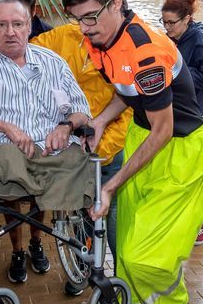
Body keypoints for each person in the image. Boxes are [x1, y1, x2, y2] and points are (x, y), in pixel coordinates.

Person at [62, 0, 203, 304]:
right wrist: (100, 120)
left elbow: (164, 129)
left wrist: (111, 184)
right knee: (125, 256)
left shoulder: (146, 52)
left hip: (179, 153)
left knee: (145, 255)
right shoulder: (101, 39)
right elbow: (126, 91)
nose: (84, 29)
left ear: (116, 3)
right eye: (77, 19)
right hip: (141, 139)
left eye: (90, 17)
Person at [0, 0, 93, 286]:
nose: (10, 31)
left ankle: (40, 229)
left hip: (47, 149)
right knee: (12, 161)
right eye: (1, 25)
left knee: (77, 157)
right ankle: (24, 238)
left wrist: (66, 126)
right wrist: (5, 126)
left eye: (17, 24)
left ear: (29, 26)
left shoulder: (52, 62)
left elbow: (81, 109)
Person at [31, 23, 132, 280]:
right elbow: (25, 54)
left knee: (114, 216)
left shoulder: (125, 50)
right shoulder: (62, 36)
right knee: (79, 210)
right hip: (71, 145)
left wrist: (102, 147)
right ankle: (82, 270)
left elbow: (128, 110)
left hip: (107, 148)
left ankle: (120, 276)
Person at [160, 0, 203, 245]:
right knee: (184, 169)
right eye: (163, 22)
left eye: (171, 23)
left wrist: (179, 74)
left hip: (196, 116)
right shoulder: (175, 40)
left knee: (200, 170)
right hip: (180, 113)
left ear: (187, 19)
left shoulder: (199, 41)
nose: (167, 27)